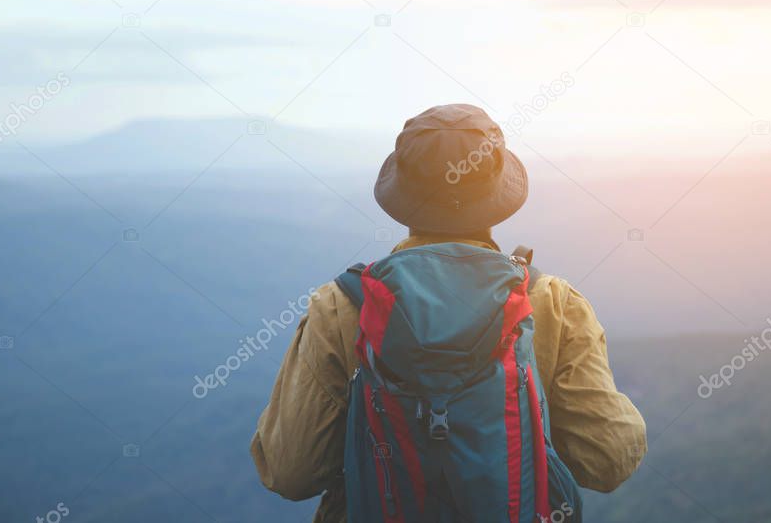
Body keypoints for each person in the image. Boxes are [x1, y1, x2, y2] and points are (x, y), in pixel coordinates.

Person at [251, 103, 646, 521]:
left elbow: (290, 472)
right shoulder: (552, 302)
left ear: (402, 194)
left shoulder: (342, 305)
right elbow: (608, 459)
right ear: (497, 195)